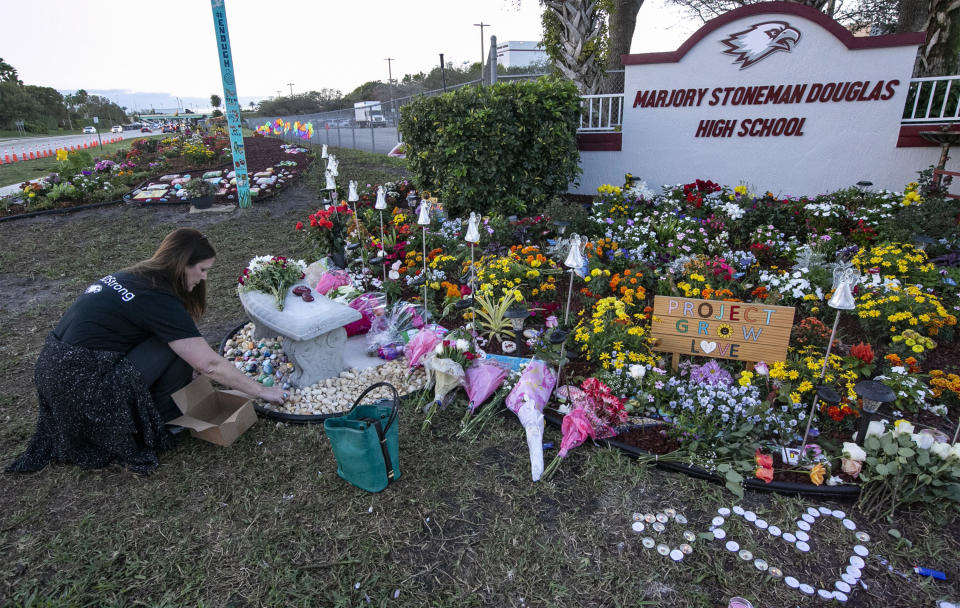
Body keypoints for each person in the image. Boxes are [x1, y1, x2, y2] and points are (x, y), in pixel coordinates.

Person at [7, 228, 285, 474]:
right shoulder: (159, 299)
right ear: (181, 264)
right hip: (84, 387)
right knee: (176, 348)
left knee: (176, 344)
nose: (203, 278)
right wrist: (260, 391)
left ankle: (150, 408)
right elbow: (208, 364)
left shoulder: (132, 277)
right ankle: (159, 420)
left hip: (53, 374)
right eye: (202, 269)